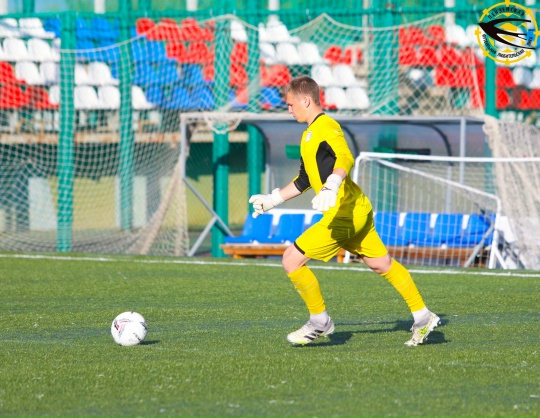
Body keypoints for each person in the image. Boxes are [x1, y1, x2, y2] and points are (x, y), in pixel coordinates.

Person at [248, 76, 440, 347]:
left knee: (291, 260)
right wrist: (272, 200)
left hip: (344, 214)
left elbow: (346, 157)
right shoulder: (308, 134)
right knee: (381, 264)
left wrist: (333, 183)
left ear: (306, 100)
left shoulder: (327, 125)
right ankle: (423, 316)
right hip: (356, 210)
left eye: (291, 104)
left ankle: (319, 321)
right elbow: (304, 180)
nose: (288, 109)